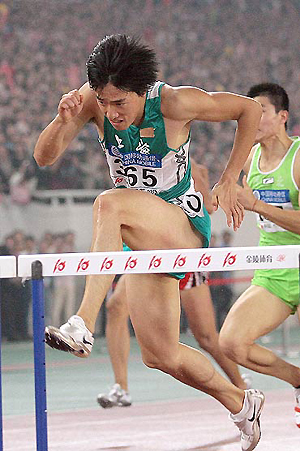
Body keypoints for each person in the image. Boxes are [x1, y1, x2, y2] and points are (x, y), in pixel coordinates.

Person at [34, 35, 264, 450]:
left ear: (142, 91)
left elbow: (248, 109)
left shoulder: (174, 103)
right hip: (141, 236)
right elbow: (43, 157)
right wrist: (61, 118)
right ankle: (241, 403)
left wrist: (231, 177)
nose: (110, 112)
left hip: (183, 226)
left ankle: (82, 323)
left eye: (120, 103)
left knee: (109, 204)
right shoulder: (93, 101)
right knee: (160, 354)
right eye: (103, 102)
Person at [97, 161, 250, 408]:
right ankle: (121, 387)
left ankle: (241, 387)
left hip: (181, 253)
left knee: (206, 336)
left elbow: (209, 207)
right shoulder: (132, 158)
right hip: (149, 253)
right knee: (116, 306)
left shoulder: (191, 167)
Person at [218, 83, 300, 428]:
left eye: (261, 111)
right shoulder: (248, 158)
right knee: (232, 343)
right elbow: (232, 195)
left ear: (282, 117)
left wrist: (256, 204)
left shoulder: (297, 158)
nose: (253, 118)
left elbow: (257, 205)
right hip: (275, 271)